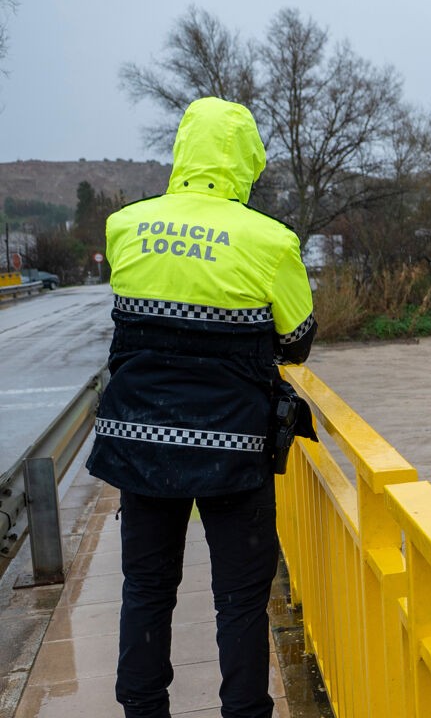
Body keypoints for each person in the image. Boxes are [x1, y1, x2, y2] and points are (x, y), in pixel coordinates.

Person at [87, 96, 316, 718]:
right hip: (233, 446)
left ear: (183, 150)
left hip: (140, 441)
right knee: (241, 599)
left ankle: (142, 708)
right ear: (247, 160)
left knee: (147, 588)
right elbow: (297, 342)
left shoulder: (126, 225)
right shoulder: (271, 240)